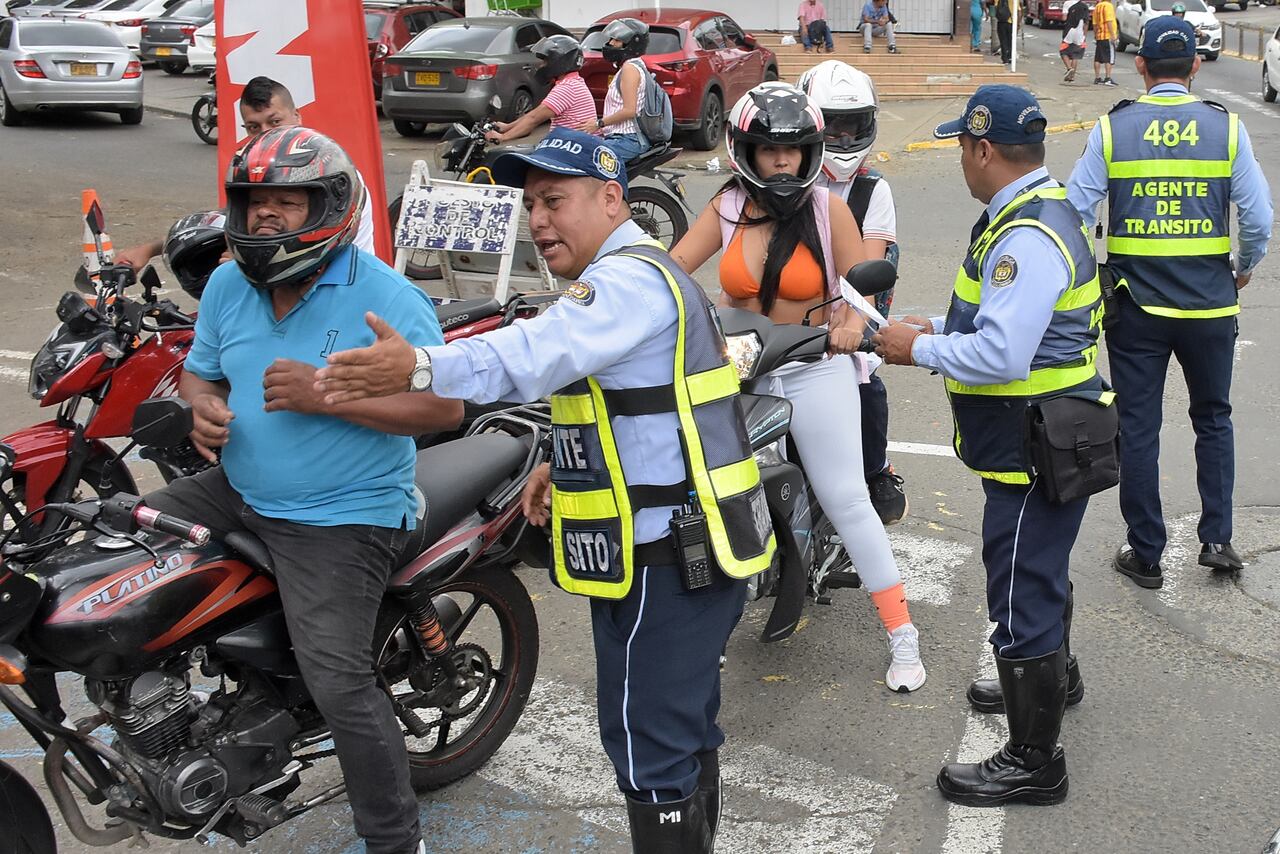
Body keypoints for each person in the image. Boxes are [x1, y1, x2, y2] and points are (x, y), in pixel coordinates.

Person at [313, 127, 776, 852]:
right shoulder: (641, 276)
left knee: (648, 745)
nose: (538, 220)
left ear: (612, 198)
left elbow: (533, 353)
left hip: (668, 559)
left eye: (554, 201)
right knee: (680, 728)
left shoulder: (624, 282)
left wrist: (420, 366)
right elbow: (637, 403)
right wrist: (563, 460)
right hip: (680, 548)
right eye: (530, 204)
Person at [140, 126, 462, 854]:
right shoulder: (228, 284)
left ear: (330, 207)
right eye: (255, 202)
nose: (267, 216)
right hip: (236, 487)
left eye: (288, 202)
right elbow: (200, 374)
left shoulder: (386, 296)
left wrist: (327, 397)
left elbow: (443, 410)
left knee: (339, 682)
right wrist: (202, 408)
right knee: (121, 543)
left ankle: (395, 840)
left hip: (345, 512)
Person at [874, 85, 1107, 807]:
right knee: (1038, 569)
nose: (959, 161)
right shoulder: (1039, 210)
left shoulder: (1026, 236)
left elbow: (1003, 353)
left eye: (961, 147)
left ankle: (1034, 761)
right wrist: (937, 327)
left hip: (1033, 442)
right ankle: (1055, 678)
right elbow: (1002, 321)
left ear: (982, 149)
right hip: (1047, 433)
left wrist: (918, 349)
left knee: (1019, 586)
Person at [669, 81, 927, 693]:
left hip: (814, 364)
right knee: (705, 495)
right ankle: (707, 631)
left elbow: (860, 289)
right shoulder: (727, 207)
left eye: (792, 149)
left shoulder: (827, 209)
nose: (782, 161)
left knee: (846, 496)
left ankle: (902, 632)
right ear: (747, 153)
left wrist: (849, 323)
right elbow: (673, 269)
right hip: (739, 368)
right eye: (769, 150)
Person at [1066, 17, 1273, 589]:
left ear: (1140, 64)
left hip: (1136, 307)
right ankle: (1217, 539)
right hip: (1210, 305)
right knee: (1214, 418)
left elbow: (1076, 213)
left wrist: (1088, 279)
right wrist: (1242, 268)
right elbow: (1258, 217)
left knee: (1138, 427)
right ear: (1196, 66)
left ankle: (1146, 552)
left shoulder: (1112, 130)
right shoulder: (1227, 129)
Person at [798, 60, 909, 525]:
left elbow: (865, 270)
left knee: (865, 382)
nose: (844, 139)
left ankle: (876, 469)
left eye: (853, 126)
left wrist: (849, 325)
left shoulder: (872, 190)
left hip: (850, 313)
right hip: (792, 316)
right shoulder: (787, 181)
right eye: (834, 127)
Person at [114, 76, 376, 272]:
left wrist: (245, 260)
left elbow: (307, 246)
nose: (266, 133)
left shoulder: (325, 172)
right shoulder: (264, 172)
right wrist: (149, 249)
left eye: (275, 122)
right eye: (253, 127)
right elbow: (227, 222)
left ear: (297, 117)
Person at [486, 34, 596, 144]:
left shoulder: (567, 88)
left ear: (559, 61)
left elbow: (534, 119)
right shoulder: (574, 82)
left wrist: (503, 137)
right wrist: (507, 127)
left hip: (574, 146)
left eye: (545, 61)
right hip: (573, 143)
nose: (540, 66)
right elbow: (535, 114)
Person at [585, 17, 651, 162]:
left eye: (617, 40)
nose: (611, 43)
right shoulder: (629, 66)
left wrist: (598, 123)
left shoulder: (630, 69)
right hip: (618, 138)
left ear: (632, 44)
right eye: (611, 39)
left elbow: (629, 110)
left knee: (586, 160)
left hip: (628, 139)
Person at [1060, 0, 1089, 82]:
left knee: (1063, 51)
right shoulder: (1084, 6)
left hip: (1069, 31)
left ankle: (1069, 68)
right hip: (1080, 32)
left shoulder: (1067, 3)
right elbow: (1086, 22)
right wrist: (1084, 35)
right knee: (1075, 54)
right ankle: (1071, 77)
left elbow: (1064, 18)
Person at [1092, 0, 1118, 85]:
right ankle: (1108, 78)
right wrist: (1113, 35)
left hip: (1100, 36)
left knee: (1098, 58)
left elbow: (1094, 24)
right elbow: (1109, 21)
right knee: (1109, 58)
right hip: (1107, 36)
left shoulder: (1097, 7)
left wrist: (1095, 35)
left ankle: (1097, 78)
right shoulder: (1109, 6)